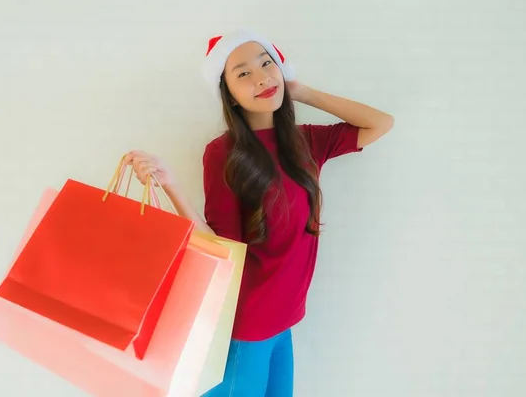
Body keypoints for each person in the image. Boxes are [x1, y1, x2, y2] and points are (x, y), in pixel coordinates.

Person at [125, 29, 394, 396]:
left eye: (267, 64)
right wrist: (169, 185)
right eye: (243, 74)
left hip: (284, 320)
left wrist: (300, 92)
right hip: (246, 326)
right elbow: (219, 246)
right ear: (230, 96)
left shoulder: (307, 142)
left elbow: (380, 123)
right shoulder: (223, 154)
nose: (261, 77)